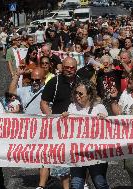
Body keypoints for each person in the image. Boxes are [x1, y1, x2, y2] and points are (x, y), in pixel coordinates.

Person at [62, 80, 109, 189]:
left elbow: (109, 129)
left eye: (80, 94)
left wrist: (104, 119)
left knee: (99, 183)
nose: (77, 96)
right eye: (76, 93)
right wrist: (63, 119)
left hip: (96, 153)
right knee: (76, 184)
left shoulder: (99, 108)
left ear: (89, 95)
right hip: (77, 153)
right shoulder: (72, 107)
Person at [39, 57, 78, 189]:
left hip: (77, 127)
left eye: (72, 68)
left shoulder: (81, 82)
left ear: (76, 68)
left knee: (79, 156)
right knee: (61, 157)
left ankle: (81, 182)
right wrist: (52, 119)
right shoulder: (54, 82)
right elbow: (43, 102)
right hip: (59, 127)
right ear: (62, 67)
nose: (69, 70)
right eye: (66, 67)